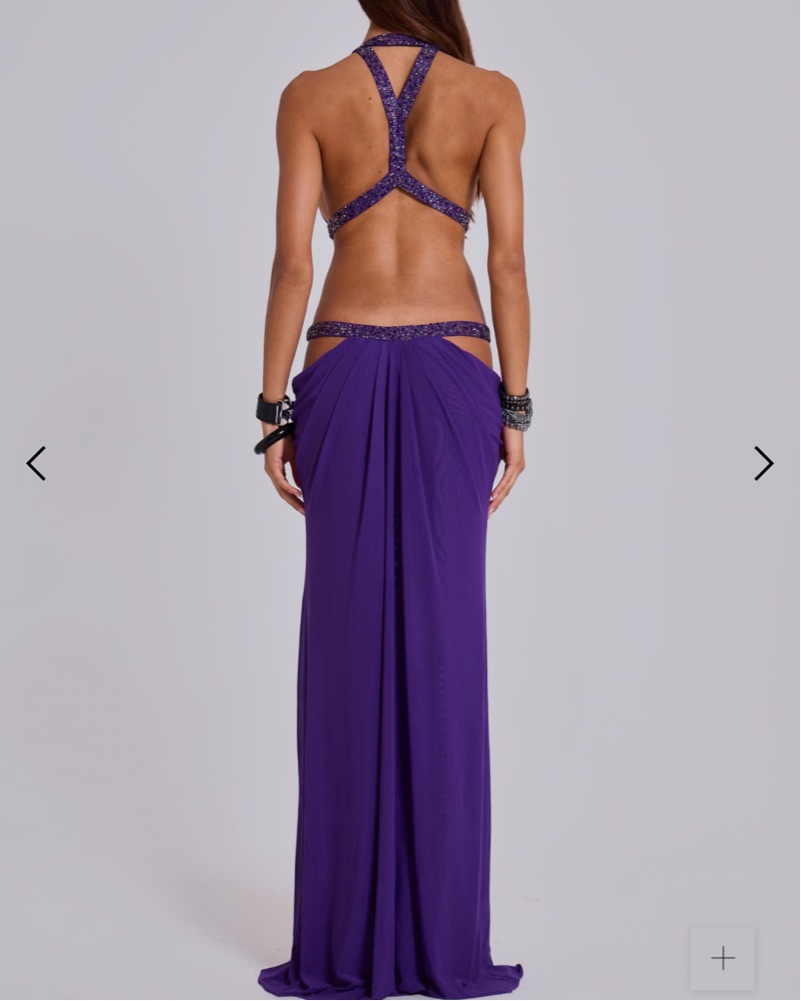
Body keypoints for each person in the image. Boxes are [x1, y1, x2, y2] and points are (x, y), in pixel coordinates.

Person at [255, 2, 530, 997]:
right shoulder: (490, 96)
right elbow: (506, 262)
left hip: (340, 365)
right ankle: (440, 935)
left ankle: (346, 933)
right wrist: (516, 406)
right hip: (457, 370)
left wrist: (271, 407)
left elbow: (295, 261)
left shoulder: (311, 96)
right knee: (448, 642)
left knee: (345, 641)